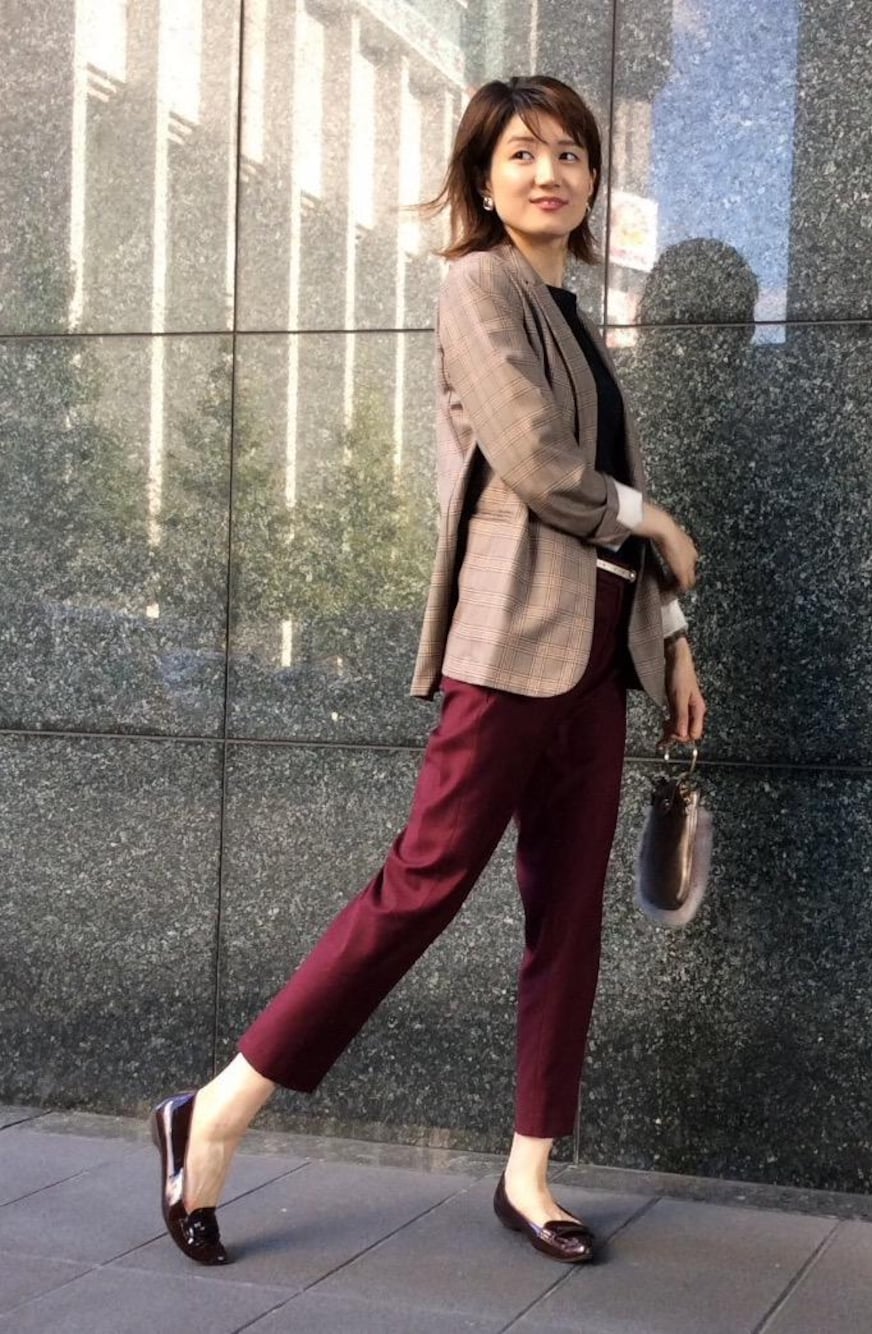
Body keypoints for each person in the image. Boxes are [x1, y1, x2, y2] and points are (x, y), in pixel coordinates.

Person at [151, 73, 706, 1269]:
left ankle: (529, 1172)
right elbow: (538, 462)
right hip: (509, 644)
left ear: (593, 180)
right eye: (523, 154)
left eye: (570, 153)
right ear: (483, 179)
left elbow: (607, 492)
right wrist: (651, 517)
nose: (550, 173)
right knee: (421, 884)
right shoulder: (477, 285)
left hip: (601, 656)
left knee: (567, 915)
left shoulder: (578, 320)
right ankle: (218, 1108)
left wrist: (670, 639)